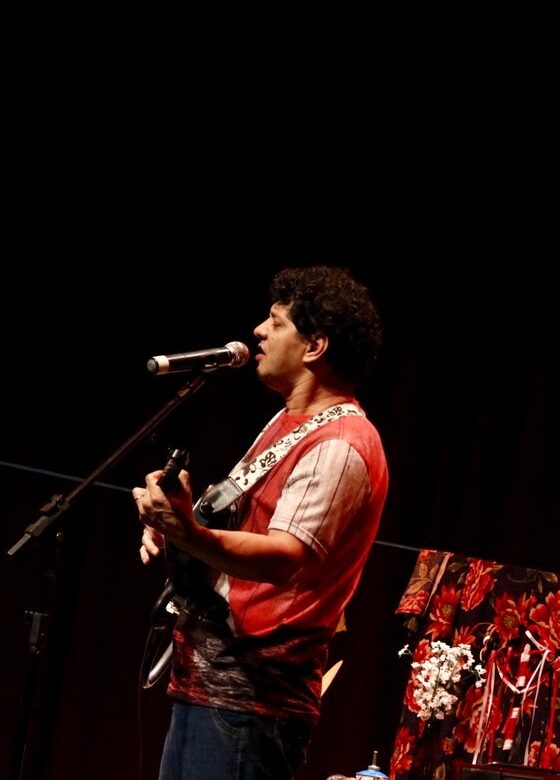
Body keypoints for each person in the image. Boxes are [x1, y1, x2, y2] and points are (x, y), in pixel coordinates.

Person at [131, 266, 388, 779]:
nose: (258, 332)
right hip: (210, 691)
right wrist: (178, 520)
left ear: (314, 346)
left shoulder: (340, 444)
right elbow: (243, 526)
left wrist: (190, 534)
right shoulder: (289, 422)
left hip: (252, 706)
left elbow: (285, 557)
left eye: (275, 322)